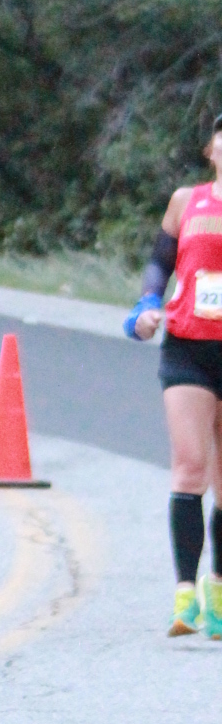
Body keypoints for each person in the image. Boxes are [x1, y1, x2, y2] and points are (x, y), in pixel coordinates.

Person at [126, 116, 222, 637]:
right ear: (211, 149)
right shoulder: (187, 202)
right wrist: (146, 305)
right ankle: (185, 596)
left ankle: (218, 594)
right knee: (189, 467)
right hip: (188, 348)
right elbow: (160, 264)